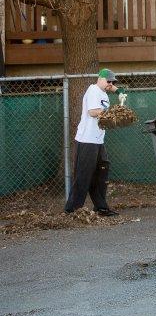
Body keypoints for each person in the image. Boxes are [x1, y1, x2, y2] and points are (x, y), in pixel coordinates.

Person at [64, 68, 119, 216]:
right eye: (108, 81)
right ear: (100, 79)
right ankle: (72, 210)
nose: (110, 84)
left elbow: (112, 94)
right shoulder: (93, 90)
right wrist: (111, 112)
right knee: (83, 174)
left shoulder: (104, 94)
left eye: (112, 82)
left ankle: (101, 207)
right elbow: (92, 112)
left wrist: (117, 90)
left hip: (98, 140)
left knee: (102, 171)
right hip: (87, 139)